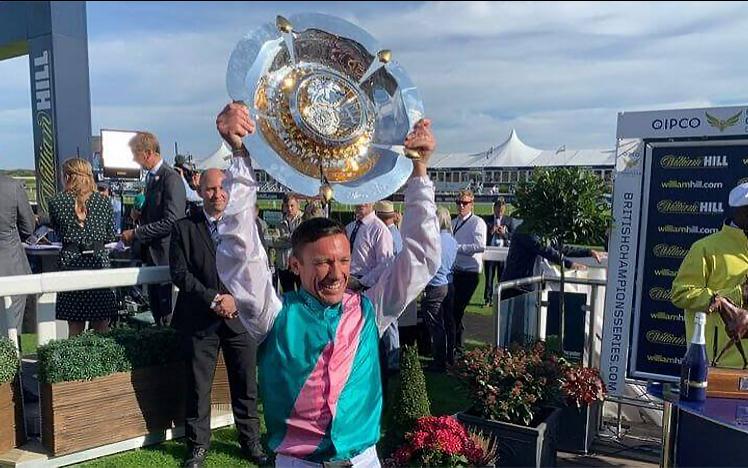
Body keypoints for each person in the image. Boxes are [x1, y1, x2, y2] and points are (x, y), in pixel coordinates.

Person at [215, 102, 439, 466]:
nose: (336, 273)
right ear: (295, 265)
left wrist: (419, 169)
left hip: (363, 459)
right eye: (321, 263)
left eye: (343, 261)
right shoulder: (272, 316)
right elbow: (241, 253)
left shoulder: (371, 310)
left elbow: (422, 256)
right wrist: (240, 155)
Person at [170, 168, 266, 468]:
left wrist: (236, 299)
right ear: (200, 191)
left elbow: (258, 271)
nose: (218, 194)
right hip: (200, 319)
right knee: (199, 387)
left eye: (224, 188)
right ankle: (197, 447)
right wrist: (214, 299)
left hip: (240, 317)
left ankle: (251, 441)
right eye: (211, 189)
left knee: (246, 383)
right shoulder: (183, 228)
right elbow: (180, 274)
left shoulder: (247, 226)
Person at [672, 182, 748, 369]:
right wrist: (732, 297)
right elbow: (680, 293)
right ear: (740, 211)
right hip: (716, 365)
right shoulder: (705, 248)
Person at [121, 131, 186, 326]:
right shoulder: (153, 179)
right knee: (157, 314)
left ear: (148, 153)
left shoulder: (171, 178)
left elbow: (172, 221)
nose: (134, 159)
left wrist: (137, 233)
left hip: (165, 256)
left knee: (166, 317)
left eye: (136, 154)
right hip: (152, 256)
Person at [48, 159, 117, 336]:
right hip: (98, 262)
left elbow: (57, 230)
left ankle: (76, 362)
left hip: (71, 262)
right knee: (101, 323)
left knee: (75, 324)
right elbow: (110, 235)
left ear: (67, 177)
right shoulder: (104, 202)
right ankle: (103, 362)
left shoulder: (56, 202)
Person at [500, 228, 602, 344]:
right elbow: (545, 250)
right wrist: (570, 264)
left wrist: (588, 252)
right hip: (515, 287)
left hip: (527, 287)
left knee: (525, 329)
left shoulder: (538, 233)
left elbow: (559, 248)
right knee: (512, 330)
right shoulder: (525, 232)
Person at [421, 206, 458, 372]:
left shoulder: (434, 240)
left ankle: (439, 361)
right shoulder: (452, 240)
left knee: (436, 326)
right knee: (449, 323)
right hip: (448, 283)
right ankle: (449, 357)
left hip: (435, 285)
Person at [0, 174, 35, 344]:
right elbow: (28, 227)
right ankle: (13, 367)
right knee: (11, 327)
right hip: (10, 263)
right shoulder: (12, 186)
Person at [451, 189, 487, 350]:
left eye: (464, 203)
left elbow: (480, 246)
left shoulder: (477, 222)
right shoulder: (454, 222)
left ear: (472, 204)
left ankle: (457, 345)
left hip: (470, 272)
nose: (461, 206)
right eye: (458, 203)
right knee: (454, 309)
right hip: (456, 270)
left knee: (457, 308)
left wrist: (458, 248)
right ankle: (456, 343)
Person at [483, 198, 512, 306]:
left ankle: (500, 299)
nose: (500, 212)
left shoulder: (509, 220)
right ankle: (487, 299)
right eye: (498, 209)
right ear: (494, 209)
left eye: (502, 210)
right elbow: (483, 236)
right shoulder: (487, 220)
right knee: (489, 278)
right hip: (490, 252)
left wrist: (504, 233)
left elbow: (513, 236)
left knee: (502, 278)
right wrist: (491, 231)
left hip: (503, 253)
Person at [273, 193, 303, 293]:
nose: (289, 209)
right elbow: (274, 241)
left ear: (297, 205)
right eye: (287, 206)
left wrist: (285, 239)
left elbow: (303, 241)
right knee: (288, 296)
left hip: (301, 266)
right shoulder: (280, 223)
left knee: (303, 296)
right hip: (284, 265)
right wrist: (291, 240)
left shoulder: (304, 221)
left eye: (292, 205)